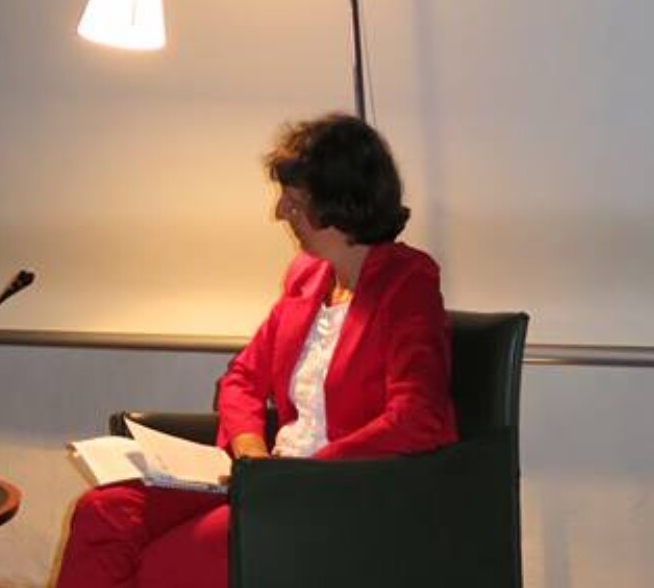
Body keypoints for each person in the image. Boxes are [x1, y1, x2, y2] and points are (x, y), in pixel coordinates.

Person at [55, 114, 456, 588]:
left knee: (164, 565)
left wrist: (301, 474)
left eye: (294, 198)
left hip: (342, 494)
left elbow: (418, 417)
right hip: (266, 481)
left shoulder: (407, 283)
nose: (280, 211)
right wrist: (249, 451)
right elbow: (243, 378)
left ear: (338, 201)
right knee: (104, 514)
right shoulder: (307, 278)